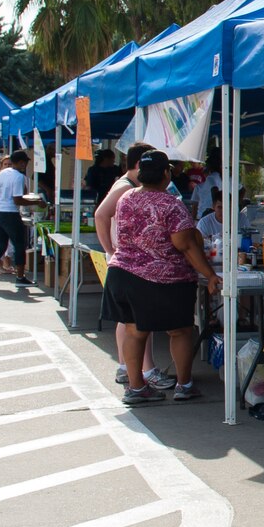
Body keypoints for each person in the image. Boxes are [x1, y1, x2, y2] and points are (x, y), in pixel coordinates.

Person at [104, 151, 221, 405]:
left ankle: (136, 387)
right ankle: (184, 384)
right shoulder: (171, 204)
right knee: (179, 331)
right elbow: (186, 245)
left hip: (122, 274)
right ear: (166, 174)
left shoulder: (125, 198)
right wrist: (209, 275)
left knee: (135, 331)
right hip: (162, 279)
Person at [94, 143, 173, 390]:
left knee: (129, 319)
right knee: (137, 319)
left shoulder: (129, 187)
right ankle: (144, 369)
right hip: (127, 261)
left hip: (127, 260)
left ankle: (127, 367)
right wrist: (110, 249)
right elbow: (100, 214)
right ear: (140, 165)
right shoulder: (125, 187)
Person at [0, 150, 46, 289]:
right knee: (19, 245)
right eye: (25, 162)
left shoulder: (3, 173)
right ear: (21, 162)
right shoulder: (18, 177)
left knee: (1, 245)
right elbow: (17, 199)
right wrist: (37, 202)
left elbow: (17, 193)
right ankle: (20, 277)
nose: (26, 165)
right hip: (9, 214)